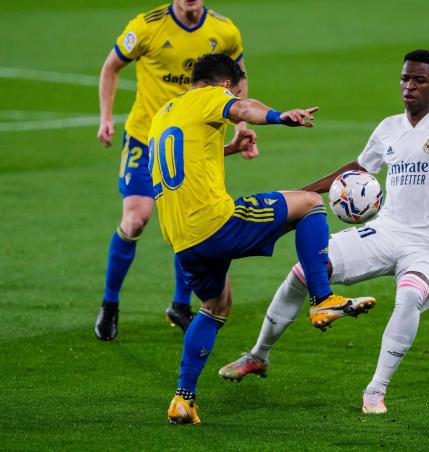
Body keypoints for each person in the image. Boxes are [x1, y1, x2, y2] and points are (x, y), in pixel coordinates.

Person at [218, 50, 429, 414]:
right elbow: (359, 168)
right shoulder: (389, 127)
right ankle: (258, 355)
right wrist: (303, 193)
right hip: (386, 230)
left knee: (408, 299)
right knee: (305, 271)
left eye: (419, 80)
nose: (409, 86)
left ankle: (375, 390)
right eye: (405, 78)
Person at [152, 53, 377, 424]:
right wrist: (279, 116)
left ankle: (183, 398)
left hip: (181, 238)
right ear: (226, 83)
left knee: (216, 305)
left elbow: (184, 157)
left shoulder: (165, 115)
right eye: (236, 86)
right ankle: (322, 298)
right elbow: (244, 108)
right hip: (214, 223)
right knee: (308, 203)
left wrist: (230, 149)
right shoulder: (212, 96)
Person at [94, 0, 257, 341]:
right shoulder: (148, 26)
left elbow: (238, 79)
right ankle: (110, 303)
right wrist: (106, 117)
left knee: (190, 220)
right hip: (145, 137)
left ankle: (180, 305)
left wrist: (241, 126)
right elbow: (111, 67)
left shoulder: (224, 30)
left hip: (192, 143)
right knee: (136, 220)